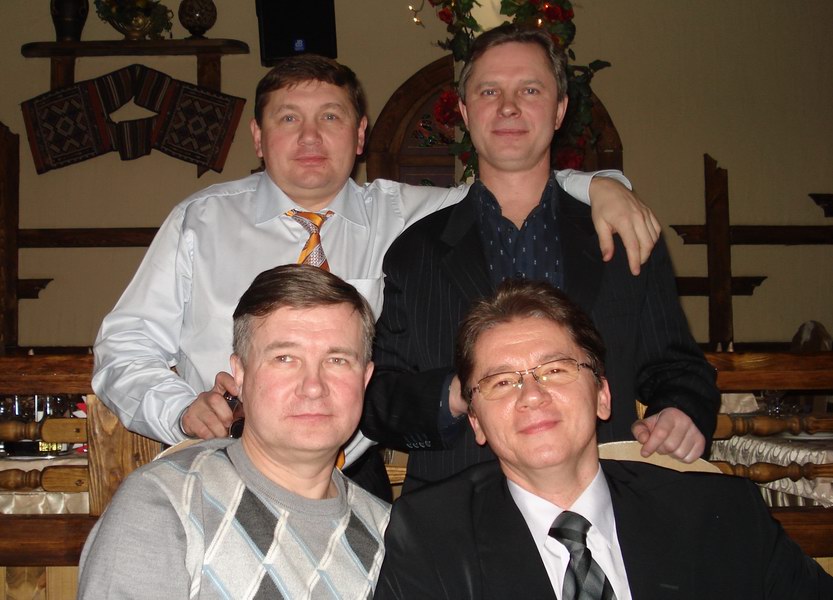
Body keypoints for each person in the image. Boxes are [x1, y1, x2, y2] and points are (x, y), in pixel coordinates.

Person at [92, 53, 658, 499]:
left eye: (330, 118)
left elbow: (511, 184)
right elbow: (123, 346)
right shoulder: (200, 221)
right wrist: (179, 409)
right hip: (223, 466)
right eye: (288, 119)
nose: (310, 138)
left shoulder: (406, 216)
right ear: (259, 138)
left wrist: (600, 185)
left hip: (353, 481)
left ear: (360, 135)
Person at [363, 24, 719, 490]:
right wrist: (459, 392)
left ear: (559, 110)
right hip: (460, 505)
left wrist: (680, 410)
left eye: (530, 90)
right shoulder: (415, 250)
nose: (508, 106)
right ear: (466, 113)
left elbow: (678, 368)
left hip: (603, 497)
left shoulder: (623, 234)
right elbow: (380, 400)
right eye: (489, 91)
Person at [375, 279, 833, 599]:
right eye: (501, 382)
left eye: (556, 370)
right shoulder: (431, 538)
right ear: (475, 421)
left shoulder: (722, 515)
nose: (531, 395)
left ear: (602, 395)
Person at [79, 264, 391, 599]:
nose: (313, 386)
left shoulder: (389, 533)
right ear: (239, 375)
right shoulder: (166, 506)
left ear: (365, 378)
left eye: (337, 360)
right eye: (285, 358)